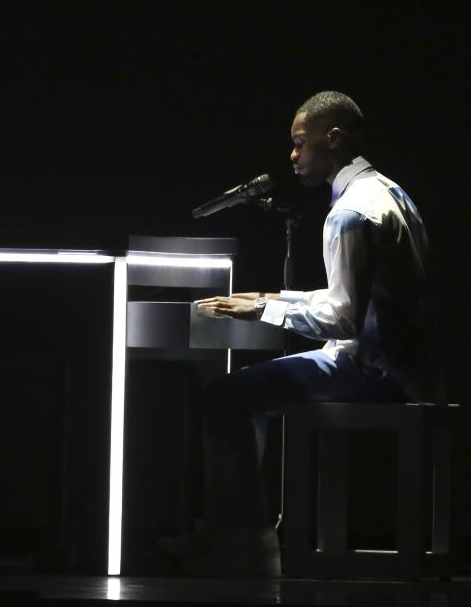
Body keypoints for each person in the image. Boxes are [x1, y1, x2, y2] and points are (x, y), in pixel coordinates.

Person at [161, 91, 437, 578]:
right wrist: (271, 298)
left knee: (228, 395)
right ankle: (238, 531)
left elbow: (343, 320)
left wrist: (265, 311)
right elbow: (353, 299)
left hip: (374, 372)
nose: (292, 156)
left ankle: (242, 540)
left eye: (299, 143)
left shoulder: (350, 212)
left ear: (333, 137)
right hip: (405, 365)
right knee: (244, 389)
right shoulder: (393, 194)